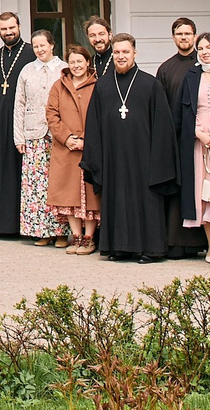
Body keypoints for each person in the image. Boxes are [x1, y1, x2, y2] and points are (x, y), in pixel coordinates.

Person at [83, 32, 179, 262]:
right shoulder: (103, 85)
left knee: (145, 200)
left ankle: (150, 249)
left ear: (134, 53)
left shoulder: (150, 84)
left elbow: (162, 126)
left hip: (144, 157)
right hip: (113, 156)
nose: (121, 56)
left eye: (125, 52)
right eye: (117, 52)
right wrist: (96, 158)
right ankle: (119, 247)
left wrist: (158, 160)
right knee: (116, 198)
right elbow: (94, 124)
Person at [156, 20, 209, 259]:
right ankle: (178, 242)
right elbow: (162, 107)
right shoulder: (166, 69)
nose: (184, 37)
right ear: (173, 37)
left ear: (195, 36)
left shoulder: (206, 64)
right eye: (179, 33)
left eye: (188, 33)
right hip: (176, 139)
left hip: (203, 139)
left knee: (203, 188)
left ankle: (205, 241)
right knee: (179, 189)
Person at [45, 44, 99, 256]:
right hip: (65, 149)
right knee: (69, 195)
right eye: (72, 62)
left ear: (87, 62)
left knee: (90, 195)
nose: (76, 65)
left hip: (89, 148)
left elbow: (101, 115)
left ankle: (89, 238)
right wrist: (67, 138)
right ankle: (76, 236)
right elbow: (51, 114)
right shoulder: (58, 86)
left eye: (80, 61)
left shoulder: (97, 85)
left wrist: (86, 140)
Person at [0, 12, 31, 240]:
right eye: (4, 29)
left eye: (12, 27)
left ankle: (19, 226)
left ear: (19, 26)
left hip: (21, 124)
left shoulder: (30, 53)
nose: (8, 32)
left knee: (18, 174)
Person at [14, 30, 64, 244]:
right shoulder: (27, 70)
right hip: (33, 134)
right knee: (37, 187)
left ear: (52, 45)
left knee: (58, 183)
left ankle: (61, 232)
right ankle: (42, 231)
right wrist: (19, 137)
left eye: (43, 45)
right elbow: (19, 104)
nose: (39, 49)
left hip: (58, 135)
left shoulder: (63, 69)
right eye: (36, 46)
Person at [175, 32, 210, 257]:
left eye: (209, 48)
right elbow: (182, 113)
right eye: (201, 48)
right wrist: (197, 133)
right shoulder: (192, 75)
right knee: (204, 193)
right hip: (197, 141)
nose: (204, 52)